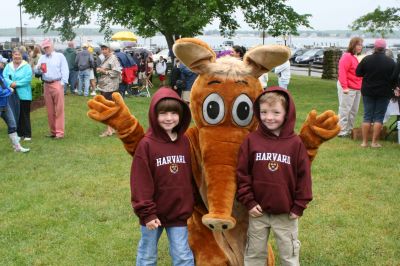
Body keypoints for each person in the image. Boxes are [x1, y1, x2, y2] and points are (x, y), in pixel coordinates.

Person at [237, 87, 312, 266]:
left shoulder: (295, 143)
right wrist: (249, 201)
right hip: (258, 212)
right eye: (264, 112)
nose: (269, 117)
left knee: (289, 255)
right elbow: (242, 173)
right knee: (254, 255)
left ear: (287, 113)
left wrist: (299, 205)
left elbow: (304, 177)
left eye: (276, 112)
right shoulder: (251, 140)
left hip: (286, 213)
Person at [131, 87, 194, 266]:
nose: (169, 118)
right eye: (163, 113)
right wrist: (147, 213)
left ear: (181, 115)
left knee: (183, 255)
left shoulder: (185, 142)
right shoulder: (146, 145)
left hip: (178, 212)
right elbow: (140, 182)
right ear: (154, 115)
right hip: (153, 215)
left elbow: (191, 177)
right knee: (147, 256)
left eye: (174, 113)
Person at [356, 39, 396, 148]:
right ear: (385, 48)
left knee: (367, 116)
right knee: (379, 117)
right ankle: (374, 142)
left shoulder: (367, 59)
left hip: (368, 91)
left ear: (374, 47)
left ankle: (364, 142)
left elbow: (358, 73)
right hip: (384, 92)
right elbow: (394, 78)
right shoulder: (391, 62)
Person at [35, 38, 69, 139]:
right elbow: (36, 71)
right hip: (46, 84)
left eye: (47, 47)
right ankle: (53, 131)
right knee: (49, 110)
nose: (46, 49)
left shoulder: (60, 56)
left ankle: (59, 133)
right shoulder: (42, 58)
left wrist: (62, 83)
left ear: (52, 46)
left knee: (59, 109)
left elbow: (65, 70)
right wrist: (38, 69)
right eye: (44, 47)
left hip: (57, 83)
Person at [3, 48, 33, 141]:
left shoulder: (26, 66)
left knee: (24, 114)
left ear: (21, 56)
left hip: (24, 94)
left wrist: (16, 84)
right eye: (15, 55)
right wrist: (10, 84)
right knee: (16, 114)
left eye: (18, 55)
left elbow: (28, 78)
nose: (17, 56)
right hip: (12, 94)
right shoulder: (8, 66)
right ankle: (19, 134)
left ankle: (27, 134)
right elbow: (4, 77)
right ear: (12, 56)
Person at [337, 37, 364, 137]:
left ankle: (349, 130)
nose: (360, 47)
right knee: (345, 110)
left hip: (357, 88)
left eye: (361, 45)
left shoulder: (356, 57)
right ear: (353, 45)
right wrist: (345, 87)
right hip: (348, 88)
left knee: (354, 111)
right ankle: (341, 131)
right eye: (358, 44)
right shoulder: (347, 56)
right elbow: (342, 72)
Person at [0, 61, 30, 152]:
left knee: (12, 125)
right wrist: (10, 90)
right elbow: (1, 92)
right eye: (1, 62)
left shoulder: (0, 74)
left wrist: (8, 88)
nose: (2, 63)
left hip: (5, 104)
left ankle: (17, 148)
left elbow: (4, 85)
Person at [96, 42, 121, 137]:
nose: (103, 51)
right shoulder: (107, 58)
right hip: (105, 86)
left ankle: (109, 131)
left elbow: (116, 72)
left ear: (109, 49)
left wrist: (103, 71)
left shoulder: (113, 58)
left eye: (105, 49)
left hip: (110, 87)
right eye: (102, 49)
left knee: (107, 108)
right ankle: (112, 128)